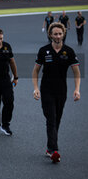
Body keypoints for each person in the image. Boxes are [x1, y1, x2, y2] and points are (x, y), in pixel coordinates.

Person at [32, 22, 81, 163]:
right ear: (50, 35)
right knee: (51, 119)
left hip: (62, 91)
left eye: (60, 33)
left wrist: (77, 89)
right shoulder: (44, 50)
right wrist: (36, 88)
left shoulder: (69, 51)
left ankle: (49, 148)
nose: (58, 36)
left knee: (57, 120)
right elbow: (35, 70)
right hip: (46, 90)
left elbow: (76, 72)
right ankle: (54, 150)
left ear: (63, 34)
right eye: (55, 34)